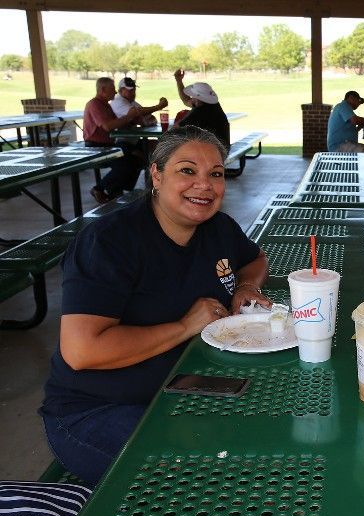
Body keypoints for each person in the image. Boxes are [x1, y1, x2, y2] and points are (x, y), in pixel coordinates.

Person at [39, 126, 271, 487]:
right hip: (100, 410)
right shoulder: (110, 241)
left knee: (267, 448)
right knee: (209, 487)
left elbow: (256, 259)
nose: (204, 185)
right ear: (157, 175)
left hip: (186, 389)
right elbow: (82, 350)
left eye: (216, 174)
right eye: (187, 170)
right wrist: (184, 326)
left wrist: (244, 286)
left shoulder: (218, 228)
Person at [83, 77, 148, 204]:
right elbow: (108, 126)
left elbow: (117, 123)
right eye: (113, 89)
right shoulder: (95, 104)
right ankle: (100, 189)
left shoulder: (105, 105)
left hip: (108, 145)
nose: (115, 92)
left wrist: (133, 120)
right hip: (96, 146)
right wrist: (129, 117)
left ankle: (117, 191)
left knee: (138, 159)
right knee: (128, 161)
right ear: (102, 90)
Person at [173, 69, 230, 148]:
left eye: (193, 95)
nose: (191, 98)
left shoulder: (199, 112)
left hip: (212, 152)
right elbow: (186, 100)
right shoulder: (213, 105)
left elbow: (176, 129)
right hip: (221, 148)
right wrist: (179, 80)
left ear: (197, 98)